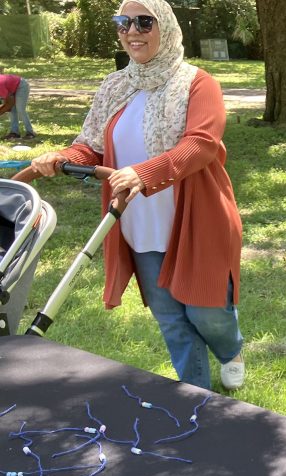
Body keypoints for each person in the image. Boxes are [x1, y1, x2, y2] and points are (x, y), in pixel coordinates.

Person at [29, 0, 245, 391]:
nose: (132, 31)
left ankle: (231, 350)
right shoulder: (115, 86)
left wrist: (145, 174)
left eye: (144, 22)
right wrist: (61, 156)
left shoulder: (198, 82)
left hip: (198, 219)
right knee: (171, 318)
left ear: (165, 27)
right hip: (138, 223)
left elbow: (202, 144)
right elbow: (90, 146)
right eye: (123, 22)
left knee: (207, 313)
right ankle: (196, 394)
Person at [0, 71, 36, 140]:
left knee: (20, 109)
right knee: (11, 111)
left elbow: (10, 103)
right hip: (11, 89)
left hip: (21, 86)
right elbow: (7, 102)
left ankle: (30, 132)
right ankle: (14, 133)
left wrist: (2, 111)